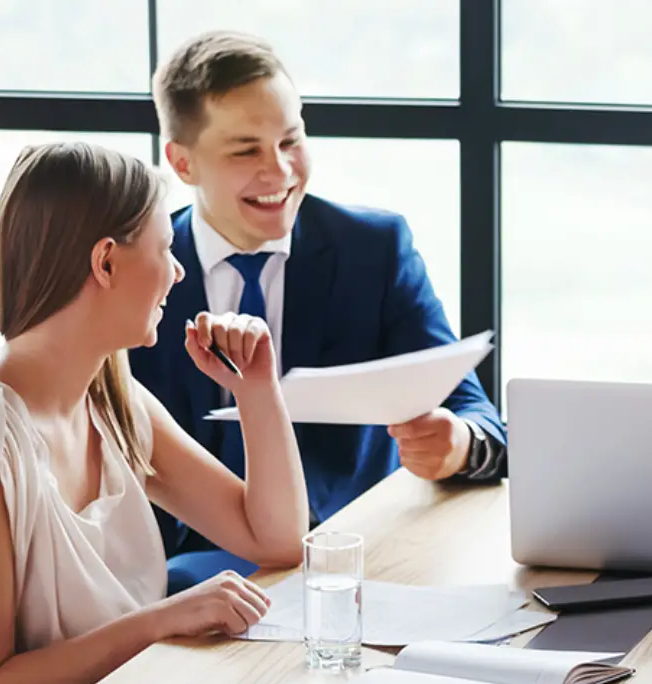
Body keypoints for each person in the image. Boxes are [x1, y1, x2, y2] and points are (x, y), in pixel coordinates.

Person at [129, 31, 508, 591]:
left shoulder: (373, 249)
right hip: (180, 577)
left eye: (291, 140)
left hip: (353, 561)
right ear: (182, 163)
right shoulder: (140, 270)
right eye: (246, 150)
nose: (280, 171)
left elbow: (483, 424)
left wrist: (455, 445)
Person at [0, 142, 308, 684]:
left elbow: (274, 537)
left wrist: (256, 389)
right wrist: (162, 620)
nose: (178, 272)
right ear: (105, 263)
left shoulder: (115, 401)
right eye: (166, 248)